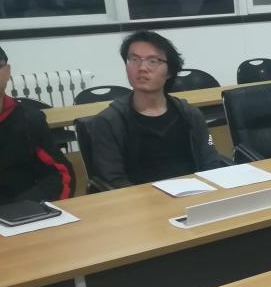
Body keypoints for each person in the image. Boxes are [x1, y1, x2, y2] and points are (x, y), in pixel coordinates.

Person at [84, 30, 228, 187]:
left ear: (170, 71)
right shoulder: (109, 122)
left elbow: (210, 162)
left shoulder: (190, 114)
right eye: (134, 60)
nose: (142, 68)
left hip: (194, 193)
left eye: (152, 61)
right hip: (138, 199)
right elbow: (113, 180)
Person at [0, 39, 74, 206]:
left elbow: (60, 174)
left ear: (8, 72)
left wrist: (24, 206)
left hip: (21, 211)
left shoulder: (29, 120)